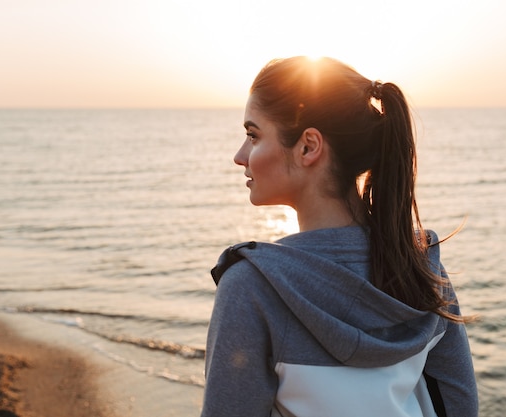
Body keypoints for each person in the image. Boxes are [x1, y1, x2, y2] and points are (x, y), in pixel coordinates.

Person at [202, 56, 478, 417]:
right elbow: (458, 406)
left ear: (308, 147)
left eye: (253, 135)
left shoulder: (252, 287)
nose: (240, 156)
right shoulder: (420, 268)